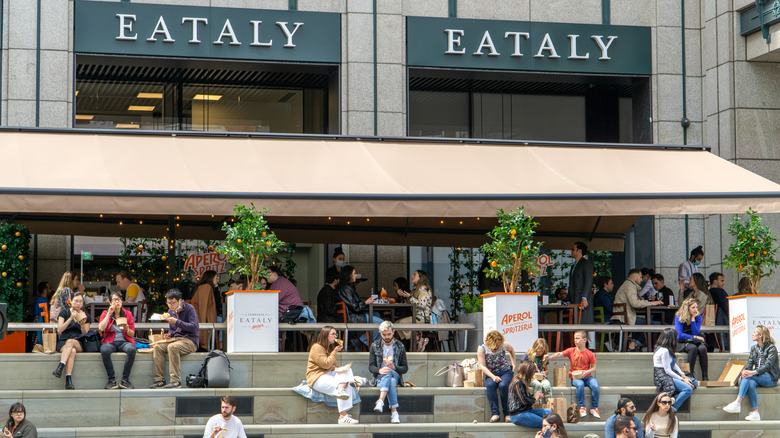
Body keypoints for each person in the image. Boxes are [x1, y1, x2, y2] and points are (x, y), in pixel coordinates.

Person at [306, 326, 362, 424]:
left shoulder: (329, 348)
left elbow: (332, 366)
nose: (335, 336)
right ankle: (343, 416)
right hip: (317, 377)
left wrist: (342, 369)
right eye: (333, 334)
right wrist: (335, 352)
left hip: (328, 374)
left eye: (336, 334)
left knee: (347, 372)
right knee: (341, 384)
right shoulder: (317, 347)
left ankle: (343, 412)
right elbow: (325, 364)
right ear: (325, 335)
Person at [722, 325, 779, 421]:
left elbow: (768, 366)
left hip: (770, 377)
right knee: (750, 381)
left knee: (749, 377)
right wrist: (745, 371)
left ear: (760, 335)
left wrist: (752, 373)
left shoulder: (771, 348)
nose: (752, 334)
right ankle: (755, 412)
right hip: (757, 376)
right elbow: (750, 363)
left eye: (754, 333)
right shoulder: (754, 348)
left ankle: (737, 402)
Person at [150, 289, 199, 389]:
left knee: (173, 347)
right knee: (158, 347)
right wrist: (169, 334)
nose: (171, 305)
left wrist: (177, 322)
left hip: (190, 340)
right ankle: (159, 380)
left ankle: (176, 381)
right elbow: (173, 329)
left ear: (180, 301)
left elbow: (194, 327)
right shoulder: (170, 312)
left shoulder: (190, 309)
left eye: (173, 303)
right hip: (176, 339)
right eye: (168, 303)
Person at [546, 330, 600, 418]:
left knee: (595, 385)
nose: (576, 340)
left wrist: (587, 372)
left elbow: (594, 368)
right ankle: (582, 407)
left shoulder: (589, 353)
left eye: (578, 338)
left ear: (584, 339)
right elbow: (560, 354)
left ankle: (594, 408)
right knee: (580, 385)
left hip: (587, 377)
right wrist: (550, 357)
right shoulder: (571, 350)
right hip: (575, 377)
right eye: (575, 338)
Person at [368, 320, 408, 424]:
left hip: (395, 373)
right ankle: (394, 412)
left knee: (390, 372)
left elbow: (405, 368)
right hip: (380, 377)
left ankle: (381, 400)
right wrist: (379, 370)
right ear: (380, 333)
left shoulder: (400, 346)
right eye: (384, 334)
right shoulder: (375, 345)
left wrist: (394, 367)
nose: (387, 337)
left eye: (389, 334)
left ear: (393, 332)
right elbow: (371, 366)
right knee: (391, 381)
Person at [613, 269, 663, 348]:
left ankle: (632, 345)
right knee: (657, 324)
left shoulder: (627, 285)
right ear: (634, 277)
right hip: (626, 318)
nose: (641, 279)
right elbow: (635, 303)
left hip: (625, 317)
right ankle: (635, 346)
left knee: (644, 323)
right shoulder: (630, 286)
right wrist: (651, 303)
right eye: (640, 277)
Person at [98, 291, 137, 389]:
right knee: (104, 350)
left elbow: (132, 334)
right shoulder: (105, 313)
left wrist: (127, 328)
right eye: (114, 300)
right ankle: (111, 380)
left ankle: (125, 380)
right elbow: (101, 328)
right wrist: (109, 314)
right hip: (110, 342)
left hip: (124, 342)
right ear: (110, 302)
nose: (117, 302)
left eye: (119, 299)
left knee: (131, 349)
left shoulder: (128, 314)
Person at [51, 292, 90, 390]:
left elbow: (85, 333)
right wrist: (71, 318)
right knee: (71, 351)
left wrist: (81, 325)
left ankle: (60, 367)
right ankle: (68, 381)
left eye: (80, 301)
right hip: (63, 341)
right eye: (76, 301)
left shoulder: (85, 315)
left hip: (79, 341)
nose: (78, 303)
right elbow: (60, 330)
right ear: (70, 301)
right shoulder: (64, 313)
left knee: (70, 342)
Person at [336, 265, 380, 349]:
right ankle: (361, 341)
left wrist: (365, 302)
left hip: (354, 316)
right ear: (349, 275)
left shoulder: (344, 288)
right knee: (383, 325)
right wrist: (366, 302)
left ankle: (368, 344)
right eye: (354, 273)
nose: (356, 275)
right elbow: (356, 307)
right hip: (354, 317)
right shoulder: (346, 289)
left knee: (377, 315)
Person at [652, 328, 696, 412]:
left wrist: (683, 375)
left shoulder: (666, 349)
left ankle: (675, 398)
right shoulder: (664, 351)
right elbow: (667, 370)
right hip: (664, 377)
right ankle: (673, 408)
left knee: (694, 382)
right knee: (688, 389)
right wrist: (683, 380)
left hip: (670, 375)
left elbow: (673, 364)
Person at [478, 330, 517, 422]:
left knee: (503, 386)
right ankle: (495, 413)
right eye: (495, 346)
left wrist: (513, 364)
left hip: (505, 371)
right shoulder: (482, 348)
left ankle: (507, 413)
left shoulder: (504, 345)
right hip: (491, 373)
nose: (496, 347)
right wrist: (493, 376)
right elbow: (482, 365)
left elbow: (511, 350)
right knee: (490, 385)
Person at [396, 270, 433, 350]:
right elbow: (411, 303)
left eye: (414, 275)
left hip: (422, 318)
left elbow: (421, 305)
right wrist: (404, 296)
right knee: (396, 323)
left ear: (420, 278)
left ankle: (417, 340)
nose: (412, 276)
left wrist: (409, 297)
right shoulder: (416, 289)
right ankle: (414, 340)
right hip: (416, 317)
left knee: (401, 323)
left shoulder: (423, 289)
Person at [507, 361, 551, 428]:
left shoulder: (523, 382)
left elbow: (525, 397)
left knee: (549, 412)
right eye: (533, 372)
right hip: (518, 415)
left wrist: (536, 396)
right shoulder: (517, 383)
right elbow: (524, 401)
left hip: (526, 411)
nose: (533, 375)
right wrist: (535, 398)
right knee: (546, 424)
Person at [674, 297, 708, 381]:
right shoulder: (679, 317)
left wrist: (693, 319)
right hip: (683, 341)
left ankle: (705, 375)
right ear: (687, 308)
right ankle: (690, 374)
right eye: (693, 307)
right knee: (693, 348)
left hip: (694, 339)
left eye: (696, 307)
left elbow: (695, 332)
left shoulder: (698, 317)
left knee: (702, 348)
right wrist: (693, 337)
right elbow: (679, 335)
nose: (695, 310)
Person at [568, 242, 594, 341]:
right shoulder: (574, 266)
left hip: (582, 298)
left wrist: (584, 297)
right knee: (578, 322)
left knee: (586, 321)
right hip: (575, 299)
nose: (571, 251)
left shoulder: (586, 263)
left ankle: (591, 347)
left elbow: (588, 281)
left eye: (573, 249)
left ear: (579, 251)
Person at [191, 270, 218, 350]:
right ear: (211, 278)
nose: (217, 280)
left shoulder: (204, 287)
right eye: (216, 278)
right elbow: (203, 307)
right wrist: (203, 328)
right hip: (203, 320)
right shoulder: (206, 287)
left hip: (204, 319)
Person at [521, 338, 552, 404]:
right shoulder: (528, 355)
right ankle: (537, 404)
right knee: (537, 385)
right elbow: (521, 368)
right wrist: (530, 368)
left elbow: (547, 370)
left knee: (547, 385)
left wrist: (545, 372)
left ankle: (549, 405)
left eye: (541, 351)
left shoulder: (544, 356)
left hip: (540, 377)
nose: (539, 353)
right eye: (538, 351)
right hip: (530, 377)